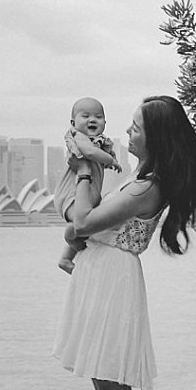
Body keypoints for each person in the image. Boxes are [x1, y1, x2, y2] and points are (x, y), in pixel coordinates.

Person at [52, 95, 196, 390]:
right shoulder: (142, 179)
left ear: (154, 136)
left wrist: (84, 168)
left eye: (136, 127)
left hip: (113, 286)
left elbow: (81, 223)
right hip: (104, 279)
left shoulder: (144, 187)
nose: (129, 132)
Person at [52, 97, 123, 275]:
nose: (92, 120)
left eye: (98, 117)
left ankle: (66, 258)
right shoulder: (79, 137)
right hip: (73, 192)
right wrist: (111, 160)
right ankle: (71, 235)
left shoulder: (100, 142)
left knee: (90, 225)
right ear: (73, 122)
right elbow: (90, 152)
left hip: (89, 192)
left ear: (105, 122)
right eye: (85, 116)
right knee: (79, 224)